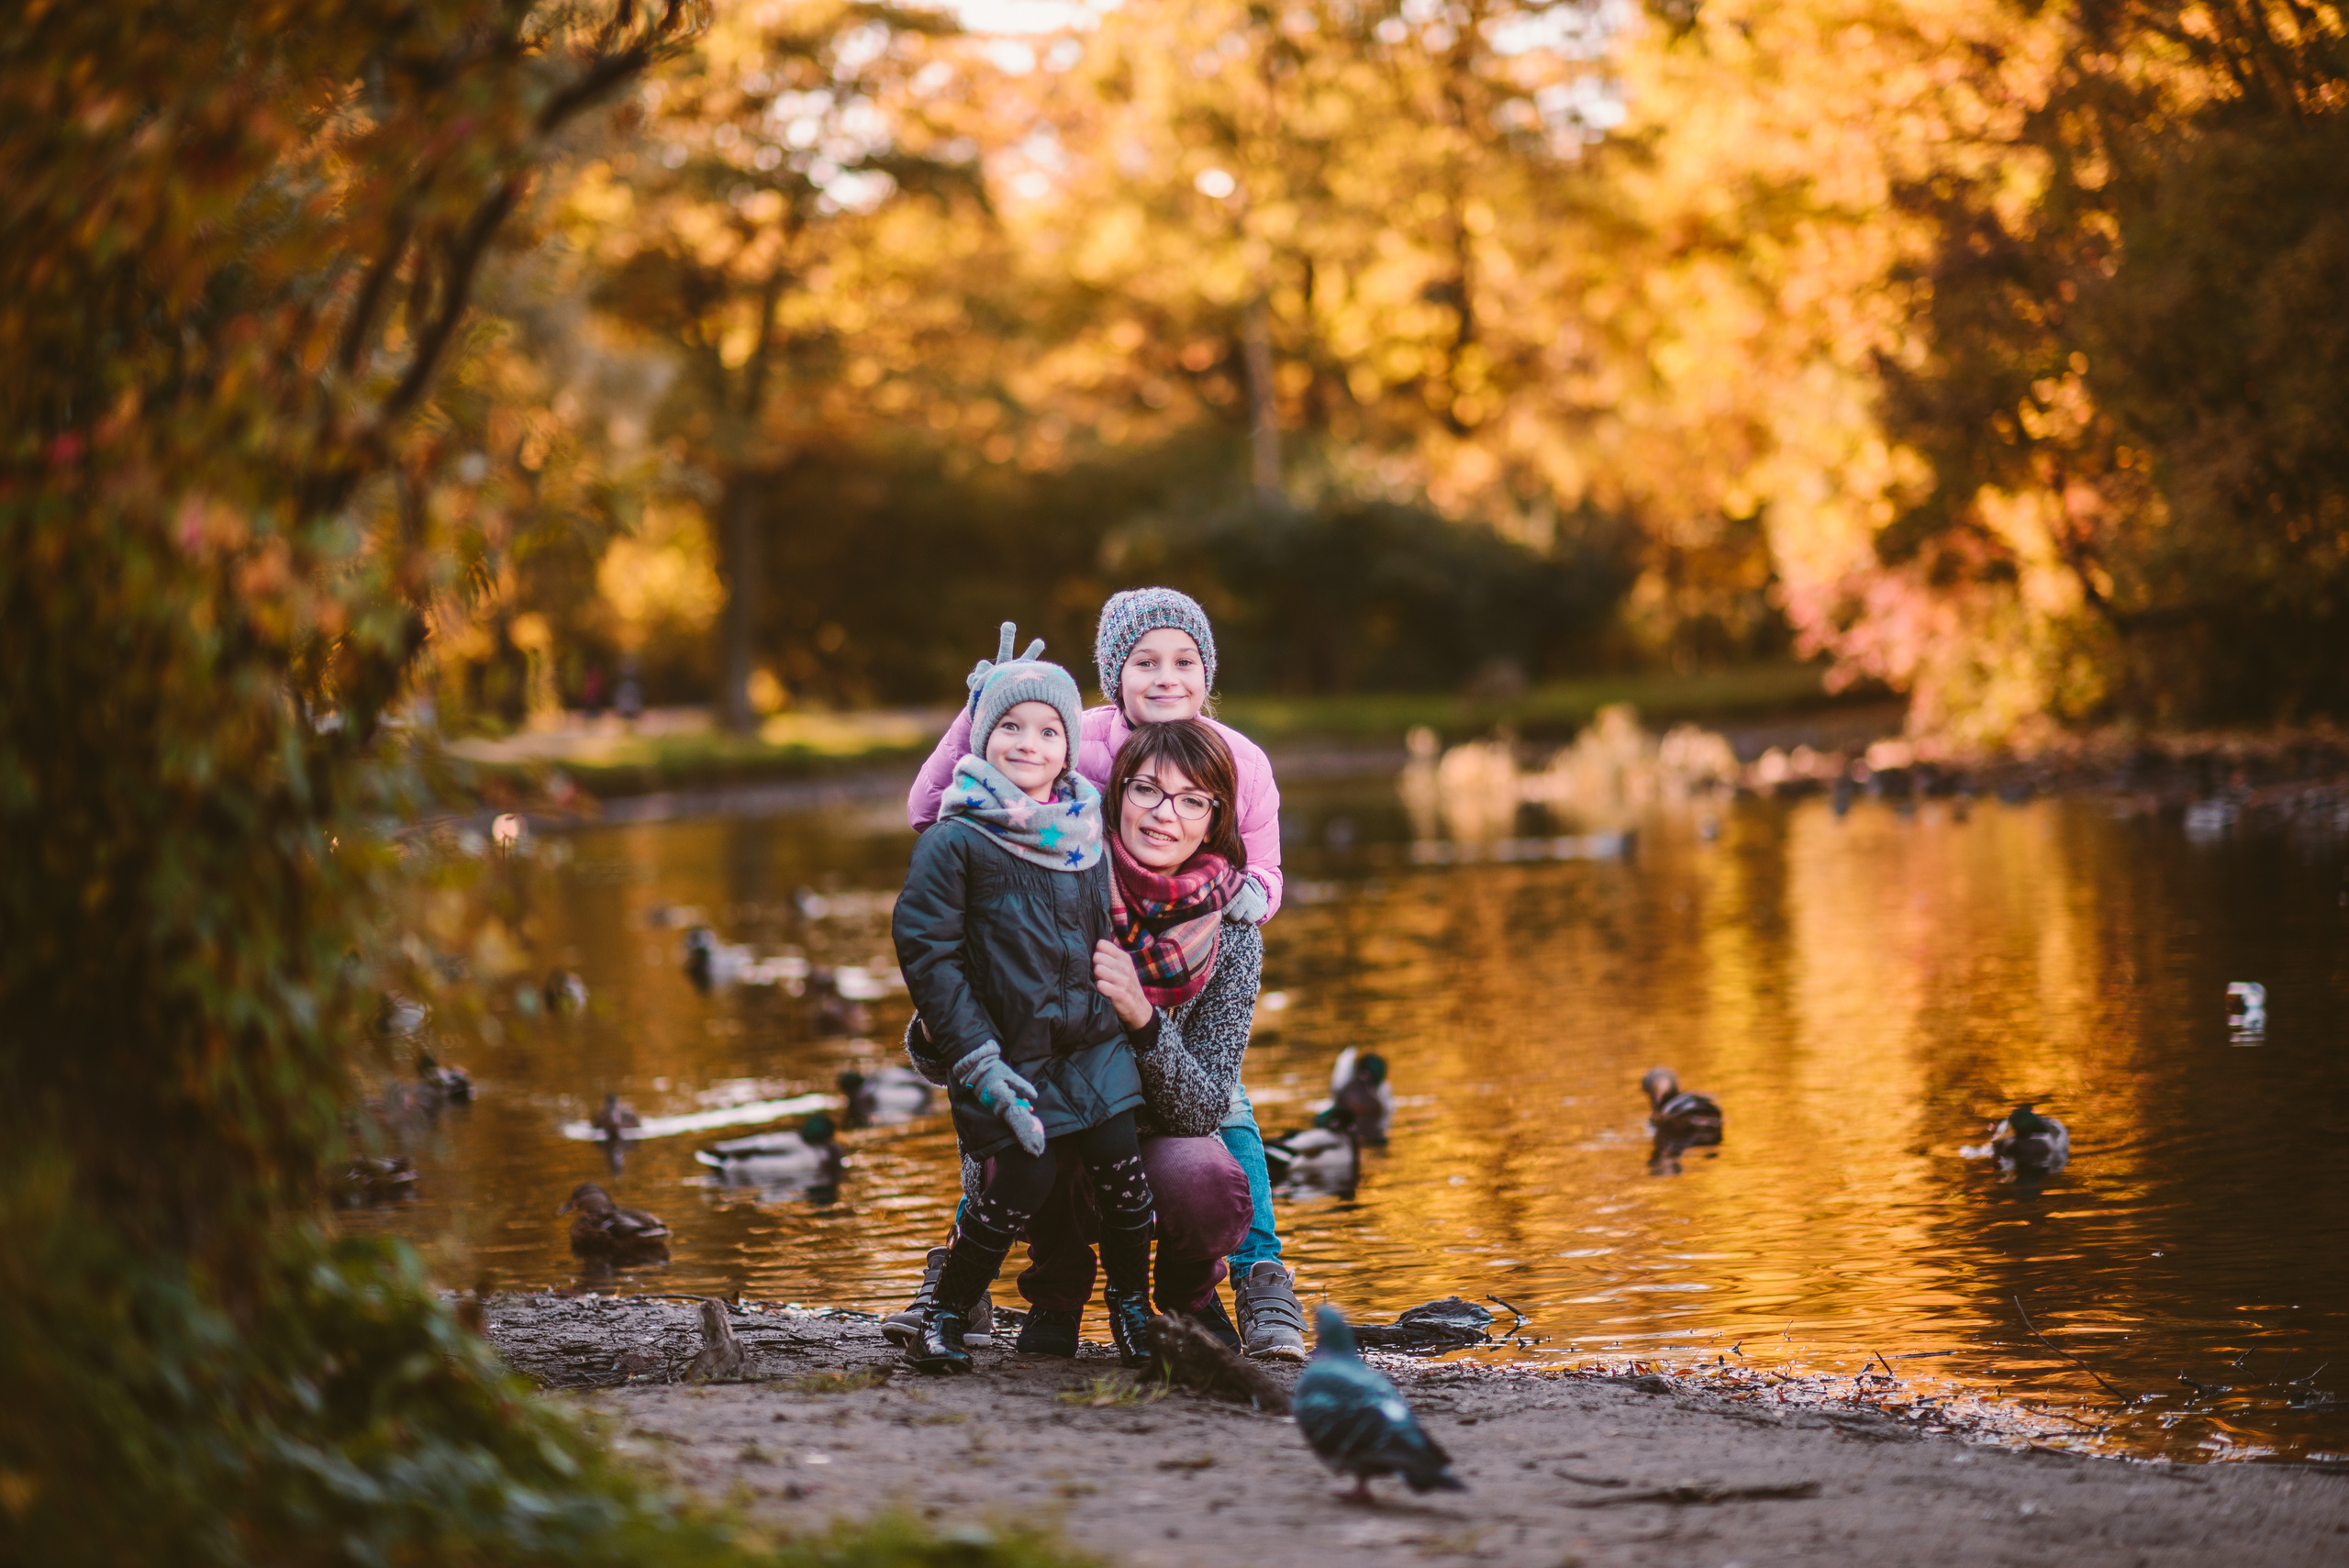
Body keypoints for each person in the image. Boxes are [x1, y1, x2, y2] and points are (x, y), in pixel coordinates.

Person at [900, 590, 1307, 1359]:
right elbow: (940, 808)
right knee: (1014, 1084)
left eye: (1184, 661)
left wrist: (1226, 910)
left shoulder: (1241, 763)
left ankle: (1249, 1277)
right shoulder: (1078, 756)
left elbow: (1265, 861)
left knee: (1225, 1115)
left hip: (1176, 1011)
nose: (1165, 677)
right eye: (1144, 661)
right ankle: (966, 1275)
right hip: (1055, 1050)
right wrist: (982, 708)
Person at [888, 638, 1158, 1374]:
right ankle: (947, 1310)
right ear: (982, 736)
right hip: (1009, 1050)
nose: (1028, 742)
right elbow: (927, 950)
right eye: (1010, 727)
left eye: (1047, 729)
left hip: (1093, 1040)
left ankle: (1133, 1308)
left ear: (1068, 745)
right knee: (1022, 1184)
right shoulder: (957, 838)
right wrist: (975, 1055)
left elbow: (1105, 923)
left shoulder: (1083, 828)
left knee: (1125, 1180)